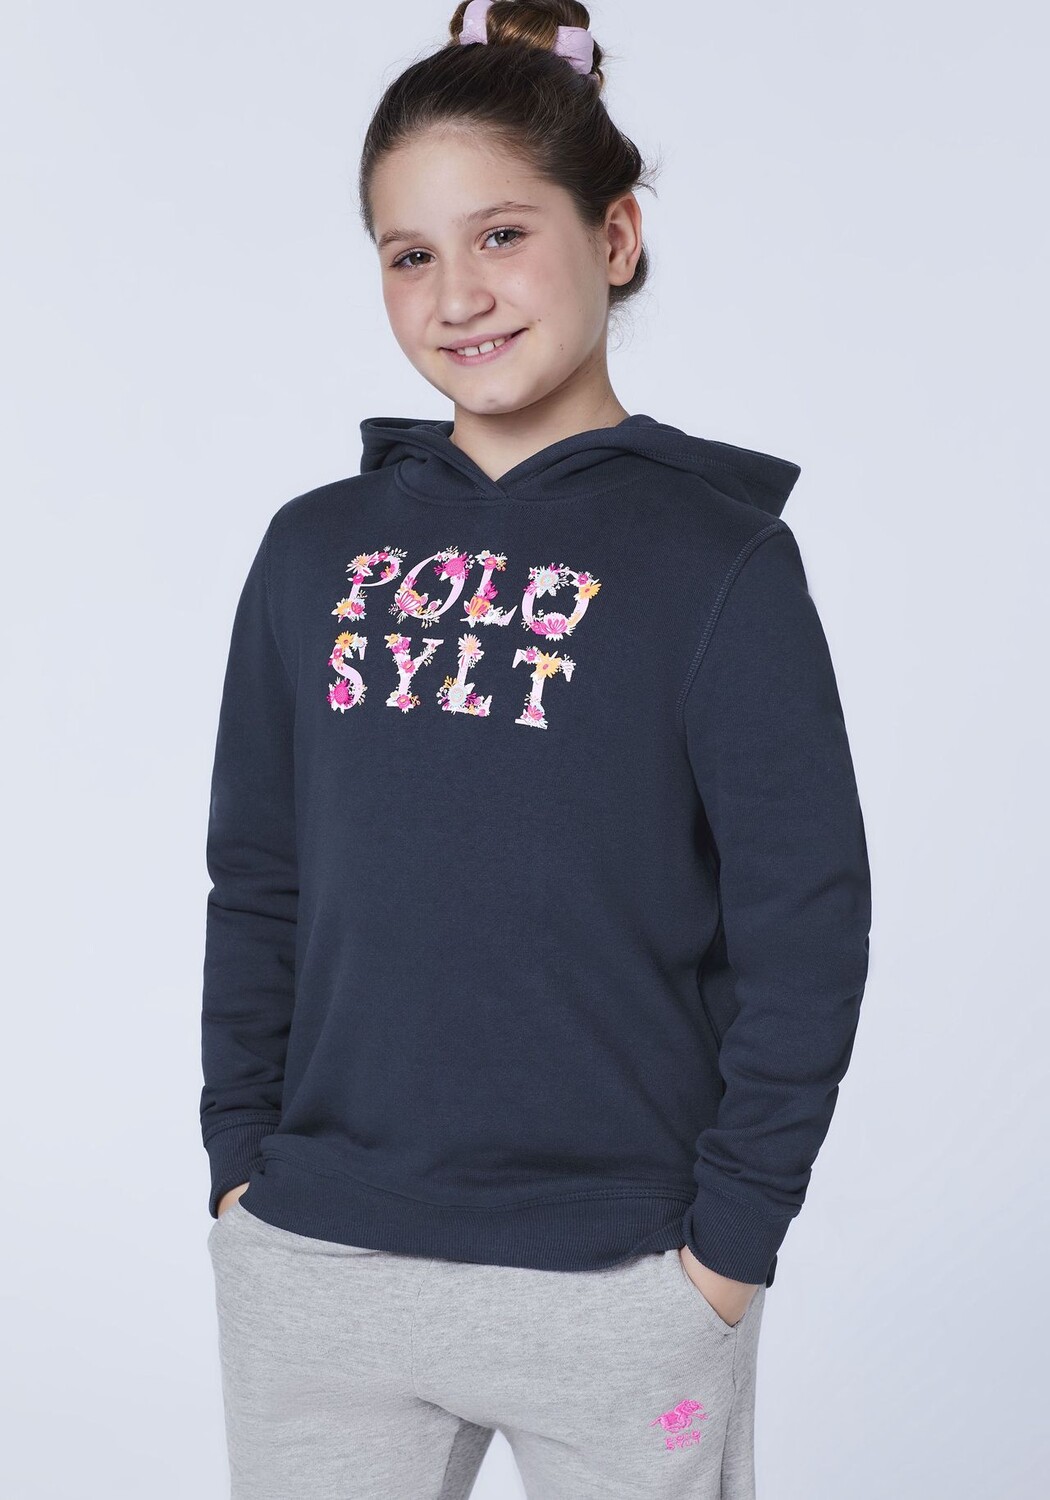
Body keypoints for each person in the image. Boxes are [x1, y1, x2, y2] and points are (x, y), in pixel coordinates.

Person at [199, 2, 873, 1495]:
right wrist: (241, 1174)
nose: (457, 294)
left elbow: (804, 921)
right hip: (319, 1267)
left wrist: (726, 1253)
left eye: (501, 235)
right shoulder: (311, 552)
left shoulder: (719, 561)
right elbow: (258, 881)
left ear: (613, 236)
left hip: (624, 1283)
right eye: (408, 254)